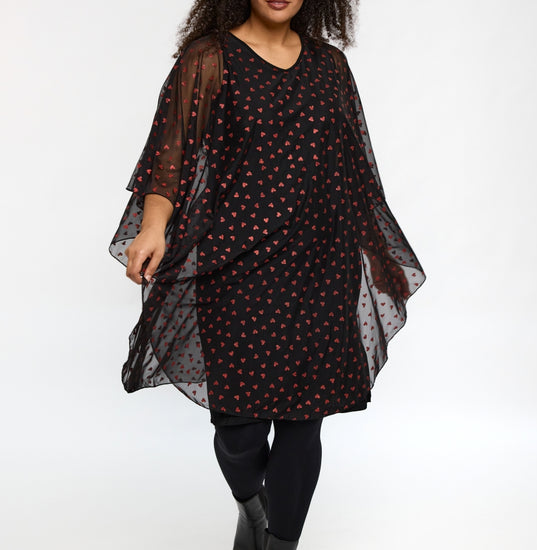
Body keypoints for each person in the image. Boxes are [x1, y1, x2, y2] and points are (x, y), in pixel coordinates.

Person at [108, 0, 427, 548]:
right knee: (239, 428)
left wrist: (377, 257)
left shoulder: (330, 66)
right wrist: (153, 226)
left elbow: (355, 171)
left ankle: (281, 542)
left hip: (320, 264)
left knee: (304, 423)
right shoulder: (208, 59)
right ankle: (251, 506)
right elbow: (170, 157)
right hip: (234, 267)